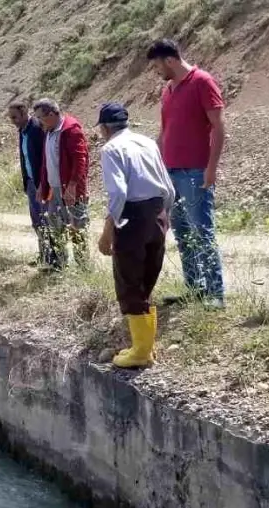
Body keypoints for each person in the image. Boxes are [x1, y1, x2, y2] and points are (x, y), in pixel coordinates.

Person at [93, 103, 174, 370]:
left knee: (130, 282)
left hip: (131, 217)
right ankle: (146, 347)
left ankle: (140, 352)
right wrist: (165, 217)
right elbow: (169, 187)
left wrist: (108, 232)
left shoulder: (110, 149)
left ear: (105, 128)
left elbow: (117, 194)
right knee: (147, 281)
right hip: (157, 212)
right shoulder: (147, 142)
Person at [147, 38, 226, 306]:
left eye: (157, 65)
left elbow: (218, 127)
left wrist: (211, 169)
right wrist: (156, 166)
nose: (156, 71)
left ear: (170, 60)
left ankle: (216, 294)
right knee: (182, 232)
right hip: (170, 173)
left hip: (195, 171)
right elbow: (164, 132)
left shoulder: (202, 82)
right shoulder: (168, 90)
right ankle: (195, 288)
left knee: (202, 231)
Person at [32, 98, 91, 272]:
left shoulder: (70, 129)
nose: (39, 122)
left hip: (70, 190)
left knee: (77, 228)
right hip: (54, 190)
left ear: (51, 114)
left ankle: (83, 270)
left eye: (40, 118)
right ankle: (61, 266)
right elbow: (46, 161)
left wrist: (73, 186)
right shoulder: (49, 131)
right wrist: (43, 185)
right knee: (55, 226)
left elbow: (81, 160)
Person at [7, 102, 54, 268]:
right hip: (31, 183)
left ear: (25, 112)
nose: (12, 120)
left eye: (14, 117)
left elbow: (45, 158)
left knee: (47, 221)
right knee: (37, 222)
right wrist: (27, 182)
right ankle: (44, 256)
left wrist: (43, 183)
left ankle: (53, 260)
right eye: (10, 117)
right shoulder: (23, 131)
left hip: (42, 183)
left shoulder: (36, 129)